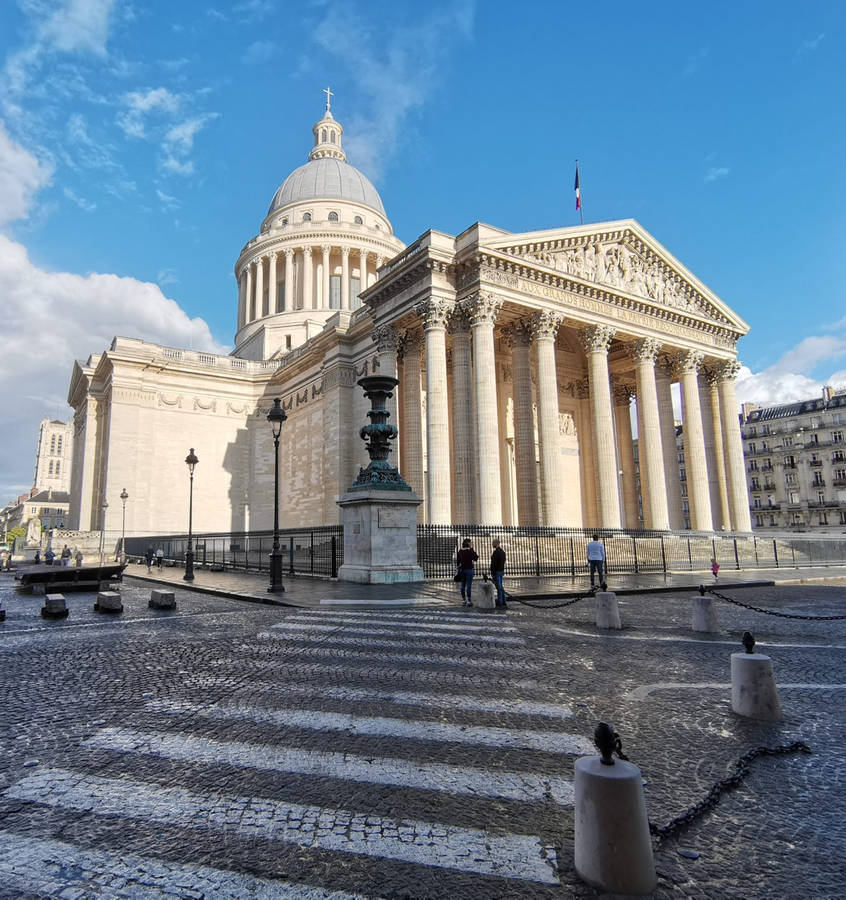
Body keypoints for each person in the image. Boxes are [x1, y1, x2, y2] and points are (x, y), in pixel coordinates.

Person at [456, 538, 478, 607]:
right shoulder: (469, 551)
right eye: (470, 543)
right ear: (468, 543)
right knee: (468, 585)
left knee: (462, 585)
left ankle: (463, 600)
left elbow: (458, 561)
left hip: (462, 570)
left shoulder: (460, 551)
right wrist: (472, 549)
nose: (471, 544)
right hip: (469, 569)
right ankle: (469, 601)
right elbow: (475, 558)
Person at [490, 538, 507, 609]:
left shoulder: (496, 552)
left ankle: (500, 601)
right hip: (501, 571)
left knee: (499, 587)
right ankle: (503, 600)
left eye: (493, 543)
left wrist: (492, 573)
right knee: (500, 586)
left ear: (496, 543)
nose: (492, 544)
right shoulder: (502, 552)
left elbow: (494, 564)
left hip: (497, 572)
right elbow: (504, 561)